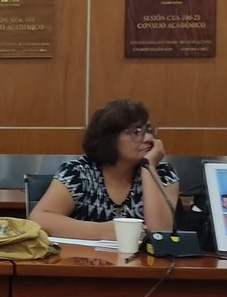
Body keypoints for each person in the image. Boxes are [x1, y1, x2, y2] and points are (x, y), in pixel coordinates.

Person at [30, 99, 179, 241]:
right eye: (136, 131)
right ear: (110, 138)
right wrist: (101, 231)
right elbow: (39, 219)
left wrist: (149, 166)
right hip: (82, 258)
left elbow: (160, 233)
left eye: (149, 130)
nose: (148, 138)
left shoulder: (162, 174)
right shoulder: (79, 172)